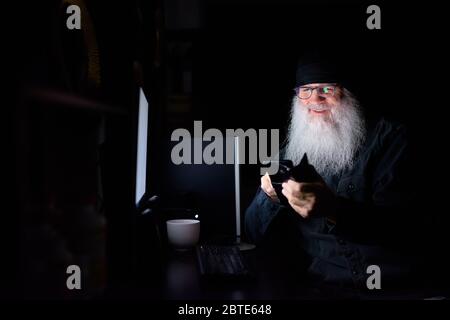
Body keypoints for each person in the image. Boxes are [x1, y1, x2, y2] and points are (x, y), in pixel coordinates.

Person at [244, 53, 430, 294]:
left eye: (326, 89)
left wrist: (333, 209)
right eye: (306, 90)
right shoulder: (290, 152)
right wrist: (267, 197)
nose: (315, 98)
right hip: (320, 288)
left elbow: (405, 231)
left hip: (393, 288)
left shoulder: (392, 141)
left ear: (347, 93)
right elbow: (251, 234)